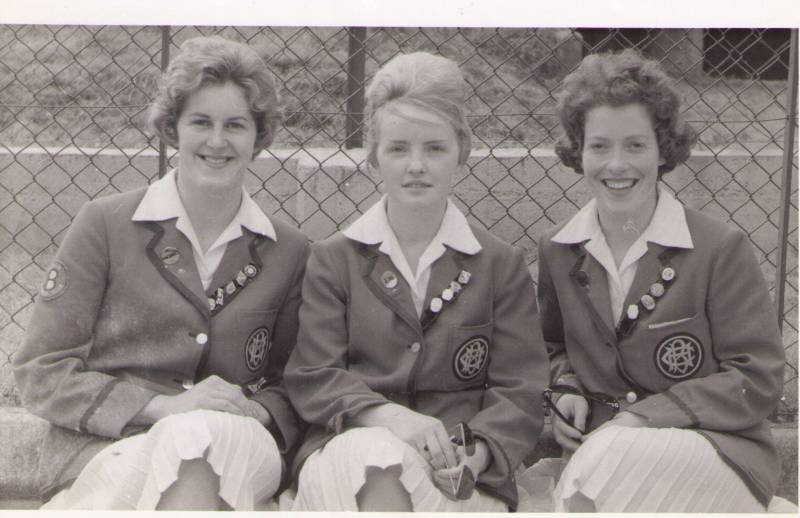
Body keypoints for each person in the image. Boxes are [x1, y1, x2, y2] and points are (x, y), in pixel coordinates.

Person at [12, 35, 310, 510]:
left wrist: (248, 410)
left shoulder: (290, 251)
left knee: (199, 436)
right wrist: (164, 409)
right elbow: (41, 371)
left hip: (235, 444)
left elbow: (296, 382)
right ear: (172, 129)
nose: (217, 141)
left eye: (235, 124)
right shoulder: (105, 224)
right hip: (112, 447)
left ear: (259, 135)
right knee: (183, 440)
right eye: (200, 122)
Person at [283, 51, 549, 512]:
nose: (416, 165)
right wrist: (389, 418)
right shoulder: (333, 259)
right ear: (373, 155)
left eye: (435, 148)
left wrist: (479, 451)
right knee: (380, 458)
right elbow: (314, 375)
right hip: (353, 454)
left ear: (461, 151)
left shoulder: (500, 264)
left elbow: (521, 389)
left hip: (460, 475)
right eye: (399, 148)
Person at [536, 49, 785, 512]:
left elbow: (757, 376)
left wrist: (640, 419)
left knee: (609, 461)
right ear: (577, 150)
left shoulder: (718, 246)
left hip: (715, 453)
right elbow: (551, 349)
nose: (616, 165)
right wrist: (565, 388)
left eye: (635, 145)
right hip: (602, 453)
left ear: (662, 149)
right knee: (606, 466)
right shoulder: (558, 249)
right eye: (599, 146)